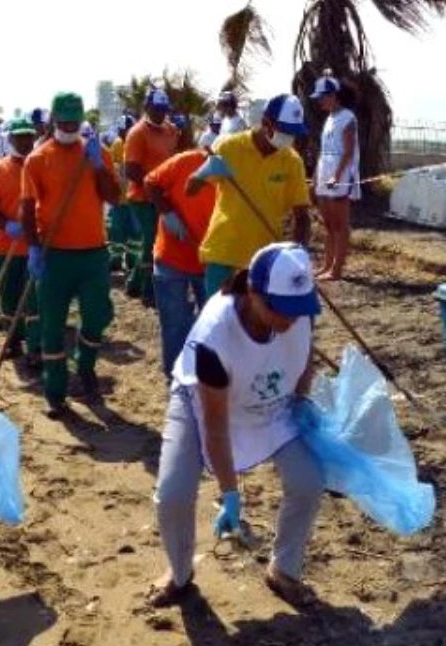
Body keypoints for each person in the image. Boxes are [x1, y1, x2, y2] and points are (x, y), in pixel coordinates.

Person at [150, 243, 325, 609]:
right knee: (173, 494)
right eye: (280, 310)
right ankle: (179, 573)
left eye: (298, 310)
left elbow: (304, 354)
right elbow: (215, 428)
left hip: (268, 401)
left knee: (308, 480)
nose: (289, 319)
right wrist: (230, 493)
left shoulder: (298, 312)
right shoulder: (215, 337)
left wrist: (301, 401)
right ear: (253, 293)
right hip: (203, 401)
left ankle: (284, 569)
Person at [21, 92, 120, 416]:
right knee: (51, 327)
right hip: (55, 256)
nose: (68, 127)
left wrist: (99, 167)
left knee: (96, 315)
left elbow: (114, 198)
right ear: (52, 121)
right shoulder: (38, 158)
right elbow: (26, 207)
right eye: (62, 122)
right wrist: (34, 247)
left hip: (93, 253)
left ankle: (86, 365)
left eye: (73, 122)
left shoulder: (97, 153)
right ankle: (55, 392)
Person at [186, 94, 313, 297]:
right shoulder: (228, 147)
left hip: (265, 261)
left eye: (293, 133)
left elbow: (302, 217)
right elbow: (189, 190)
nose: (289, 138)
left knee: (258, 326)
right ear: (265, 123)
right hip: (224, 254)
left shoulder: (291, 161)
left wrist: (298, 256)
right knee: (218, 325)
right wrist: (204, 172)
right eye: (285, 131)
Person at [145, 148, 216, 376]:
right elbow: (150, 182)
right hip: (171, 257)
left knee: (213, 322)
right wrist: (166, 212)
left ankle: (206, 376)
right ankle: (176, 375)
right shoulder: (186, 161)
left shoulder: (240, 173)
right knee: (174, 321)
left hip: (212, 259)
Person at [0, 118, 41, 366]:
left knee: (36, 300)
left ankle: (36, 346)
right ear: (11, 139)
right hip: (6, 245)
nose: (25, 141)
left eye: (29, 136)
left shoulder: (41, 167)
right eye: (20, 137)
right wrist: (7, 225)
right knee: (9, 297)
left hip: (36, 246)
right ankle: (13, 341)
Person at [123, 89, 180, 303]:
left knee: (157, 241)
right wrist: (154, 188)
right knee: (151, 242)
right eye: (156, 109)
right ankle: (149, 291)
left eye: (163, 110)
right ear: (147, 108)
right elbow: (132, 171)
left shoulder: (171, 130)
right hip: (142, 197)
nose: (160, 114)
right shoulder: (137, 133)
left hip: (163, 195)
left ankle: (134, 284)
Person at [310, 73, 360, 281]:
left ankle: (337, 269)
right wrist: (315, 175)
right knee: (328, 224)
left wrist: (337, 176)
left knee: (340, 224)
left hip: (339, 174)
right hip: (324, 172)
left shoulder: (348, 117)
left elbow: (348, 151)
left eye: (323, 96)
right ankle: (327, 264)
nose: (320, 101)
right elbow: (324, 150)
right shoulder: (329, 119)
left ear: (334, 95)